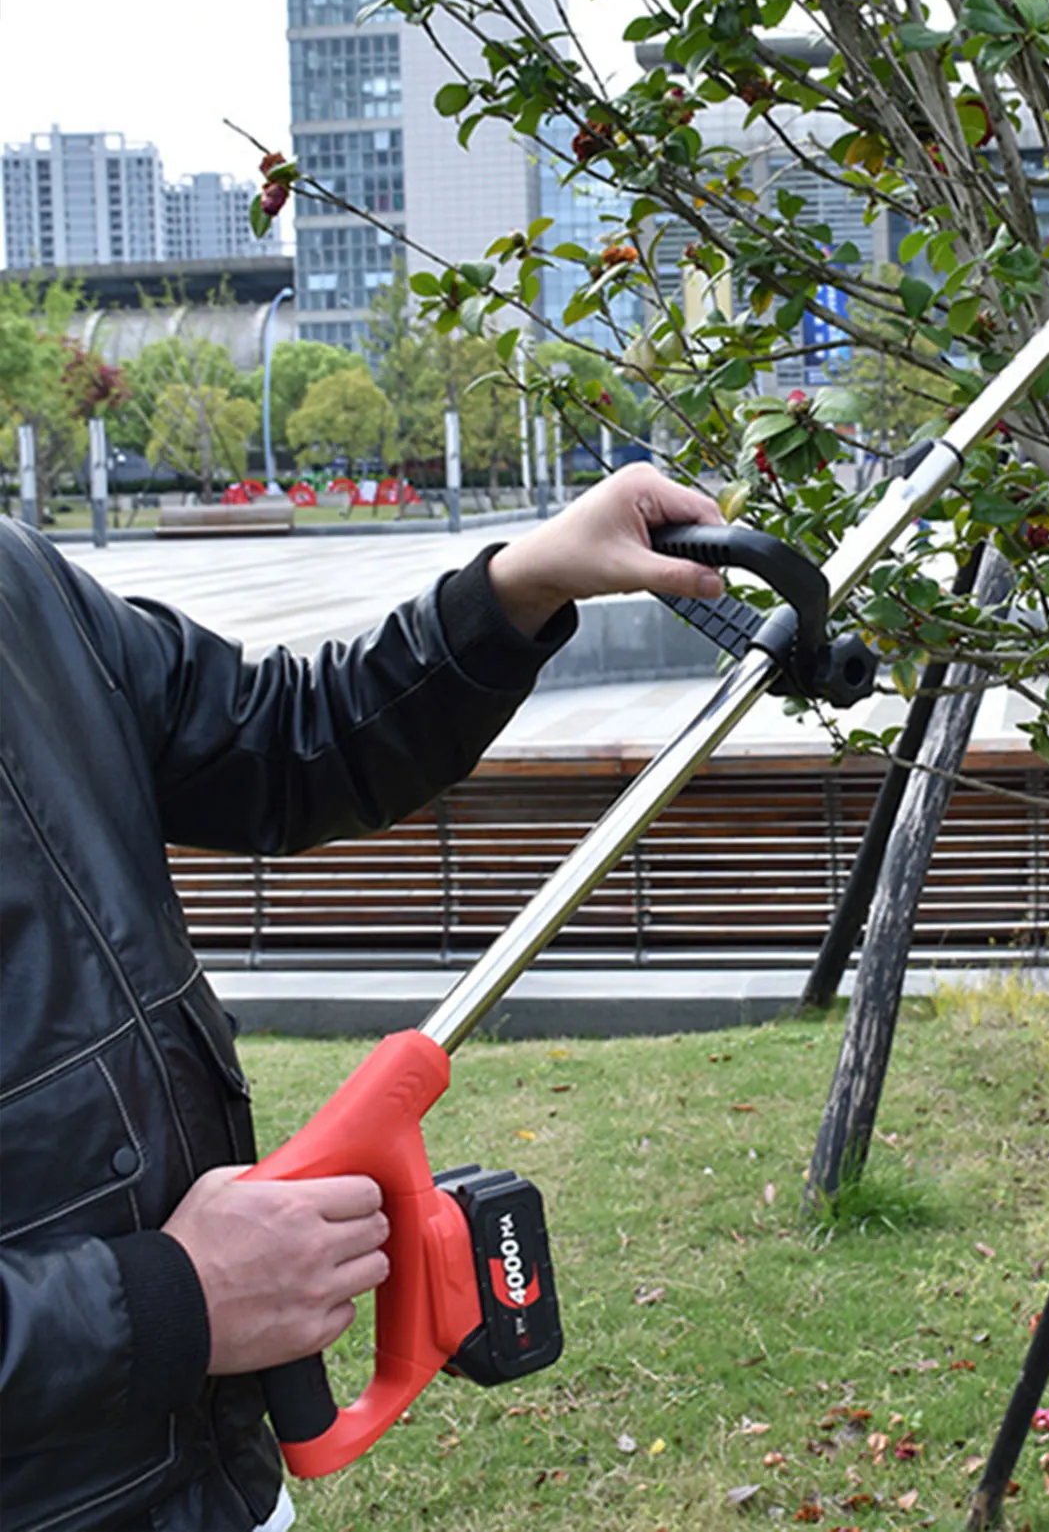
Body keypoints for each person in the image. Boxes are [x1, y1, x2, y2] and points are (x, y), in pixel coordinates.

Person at [0, 464, 724, 1532]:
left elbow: (280, 741)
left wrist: (518, 586)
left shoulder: (17, 584)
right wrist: (168, 1300)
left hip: (207, 1477)